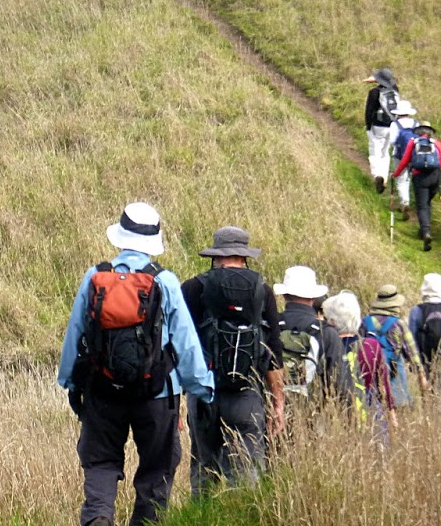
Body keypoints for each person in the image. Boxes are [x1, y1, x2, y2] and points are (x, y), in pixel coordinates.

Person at [59, 202, 215, 526]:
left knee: (101, 464)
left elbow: (75, 332)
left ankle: (99, 518)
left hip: (102, 390)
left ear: (120, 236)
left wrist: (71, 382)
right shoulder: (165, 281)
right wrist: (202, 388)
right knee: (157, 471)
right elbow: (186, 341)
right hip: (157, 395)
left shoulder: (95, 276)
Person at [181, 226, 286, 492]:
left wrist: (175, 399)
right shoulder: (262, 290)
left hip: (203, 394)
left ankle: (203, 513)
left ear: (216, 256)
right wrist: (278, 402)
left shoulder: (193, 287)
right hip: (246, 395)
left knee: (204, 471)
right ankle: (241, 511)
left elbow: (178, 344)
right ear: (244, 256)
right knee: (246, 475)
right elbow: (274, 350)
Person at [274, 266, 350, 409]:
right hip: (313, 414)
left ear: (284, 295)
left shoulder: (269, 326)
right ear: (314, 298)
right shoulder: (327, 333)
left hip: (270, 411)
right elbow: (342, 386)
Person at [324, 292, 394, 444]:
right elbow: (383, 384)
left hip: (337, 410)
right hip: (370, 409)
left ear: (331, 320)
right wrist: (391, 411)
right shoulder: (371, 345)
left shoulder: (327, 346)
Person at [362, 284, 427, 407]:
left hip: (369, 373)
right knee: (397, 407)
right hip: (394, 374)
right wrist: (421, 374)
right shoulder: (399, 324)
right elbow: (412, 352)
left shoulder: (365, 323)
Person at [392, 121, 441, 251]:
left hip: (420, 177)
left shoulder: (413, 143)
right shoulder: (437, 143)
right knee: (427, 203)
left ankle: (426, 231)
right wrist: (440, 175)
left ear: (418, 131)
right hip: (435, 176)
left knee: (422, 206)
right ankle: (424, 230)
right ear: (430, 132)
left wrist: (396, 174)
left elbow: (404, 161)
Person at [363, 68, 402, 194]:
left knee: (375, 151)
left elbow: (369, 111)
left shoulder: (374, 92)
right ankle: (384, 178)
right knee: (385, 152)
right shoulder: (395, 90)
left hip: (377, 126)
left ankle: (377, 175)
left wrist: (368, 127)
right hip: (392, 126)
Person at [385, 101, 418, 214]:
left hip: (399, 155)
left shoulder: (395, 124)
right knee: (409, 178)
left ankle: (404, 202)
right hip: (413, 156)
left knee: (401, 178)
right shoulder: (415, 123)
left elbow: (392, 141)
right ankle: (409, 201)